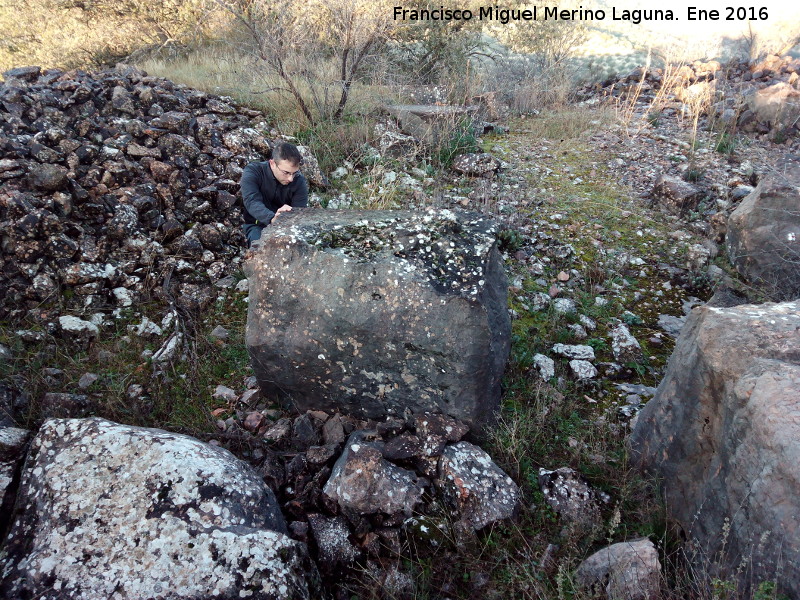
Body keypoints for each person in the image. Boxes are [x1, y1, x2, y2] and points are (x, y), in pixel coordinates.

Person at [240, 142, 308, 246]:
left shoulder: (299, 181)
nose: (291, 179)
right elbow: (252, 201)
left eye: (294, 173)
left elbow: (300, 213)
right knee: (261, 245)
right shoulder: (253, 171)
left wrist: (288, 215)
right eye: (286, 172)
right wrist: (272, 218)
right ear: (272, 163)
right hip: (256, 225)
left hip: (286, 228)